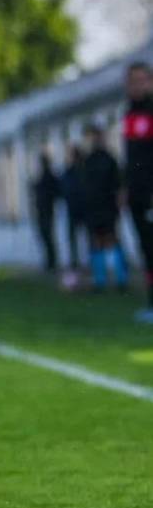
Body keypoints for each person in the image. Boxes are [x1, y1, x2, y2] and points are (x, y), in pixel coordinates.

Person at [123, 61, 153, 320]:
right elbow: (131, 158)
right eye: (133, 81)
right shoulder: (129, 114)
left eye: (142, 80)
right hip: (137, 195)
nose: (137, 85)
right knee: (146, 248)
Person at [82, 125, 127, 292]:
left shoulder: (109, 159)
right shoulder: (89, 161)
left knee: (112, 240)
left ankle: (121, 278)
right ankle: (100, 280)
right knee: (98, 242)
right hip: (95, 208)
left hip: (107, 207)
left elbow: (118, 185)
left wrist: (118, 203)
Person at [60, 144, 87, 276]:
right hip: (75, 210)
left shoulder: (80, 172)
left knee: (83, 238)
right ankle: (76, 262)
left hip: (80, 209)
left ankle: (80, 262)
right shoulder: (70, 172)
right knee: (75, 238)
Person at [32, 153, 60, 273]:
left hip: (47, 211)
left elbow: (54, 193)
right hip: (42, 210)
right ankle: (50, 261)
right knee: (45, 236)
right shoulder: (43, 176)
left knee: (48, 236)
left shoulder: (49, 177)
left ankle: (52, 261)